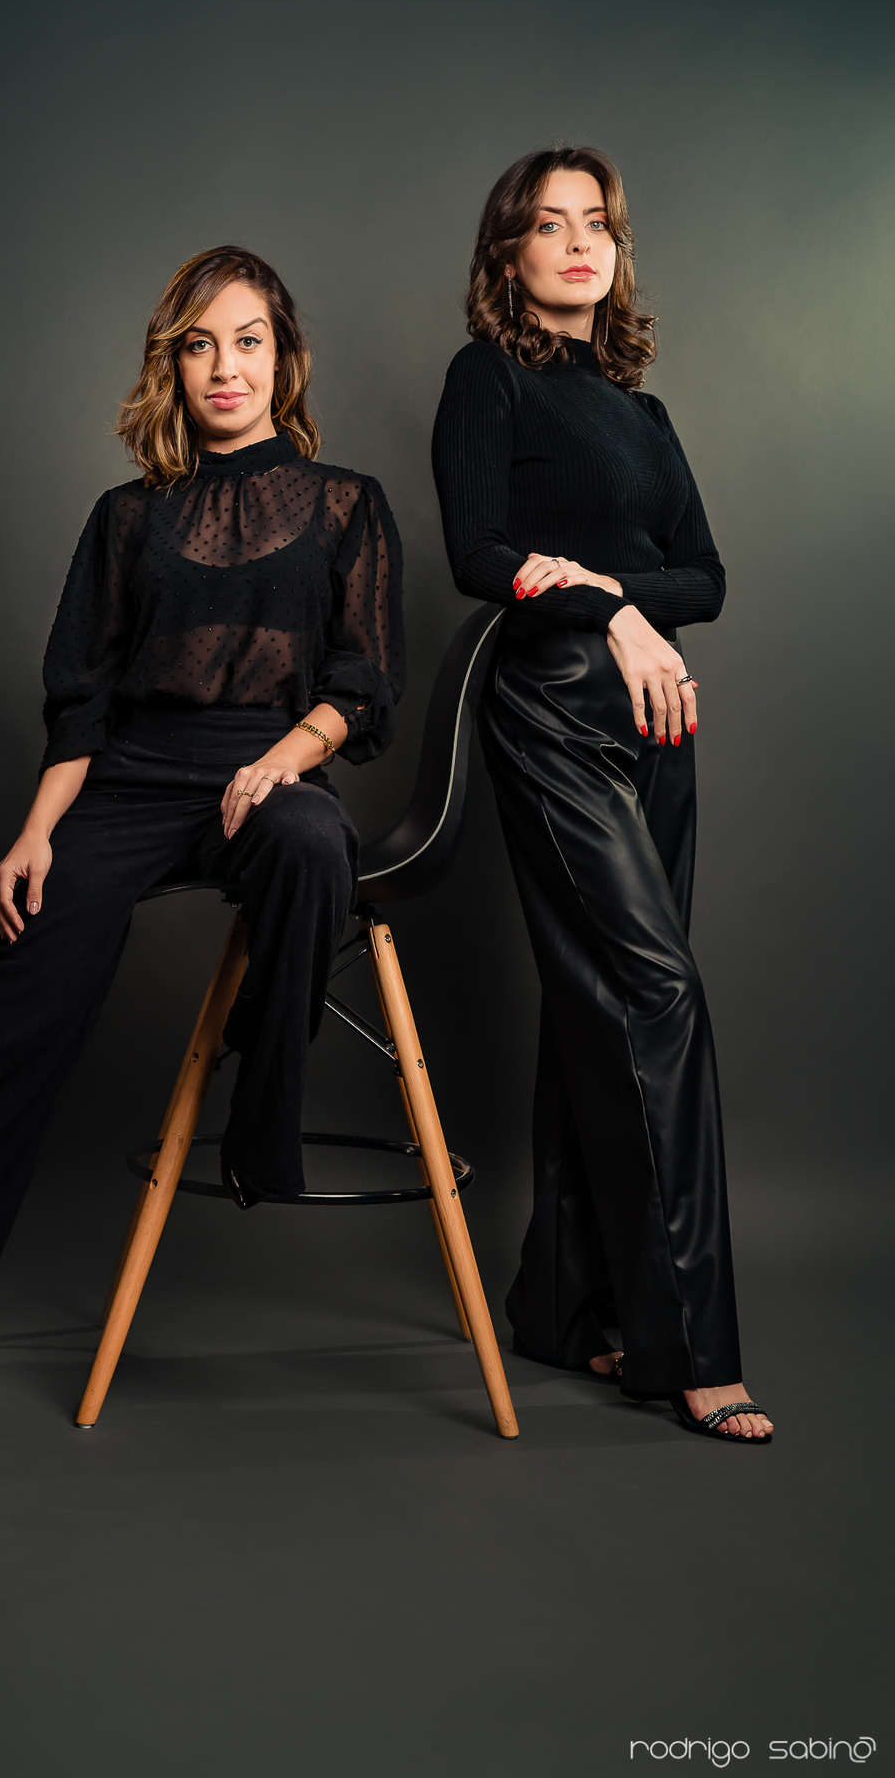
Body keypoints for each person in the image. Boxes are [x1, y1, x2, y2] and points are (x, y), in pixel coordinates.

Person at [0, 246, 405, 1430]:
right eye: (200, 344)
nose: (225, 366)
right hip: (129, 781)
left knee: (313, 843)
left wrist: (280, 759)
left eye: (249, 340)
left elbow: (363, 685)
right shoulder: (127, 516)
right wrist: (34, 833)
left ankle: (263, 1111)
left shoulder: (347, 503)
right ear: (173, 364)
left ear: (286, 358)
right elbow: (84, 701)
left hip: (269, 764)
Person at [432, 148, 772, 1443]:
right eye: (549, 223)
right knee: (656, 991)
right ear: (508, 252)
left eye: (598, 224)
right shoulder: (488, 379)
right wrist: (612, 611)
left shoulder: (645, 412)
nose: (580, 242)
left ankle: (566, 1303)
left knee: (599, 999)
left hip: (657, 720)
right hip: (553, 712)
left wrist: (621, 598)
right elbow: (479, 552)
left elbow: (708, 575)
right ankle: (690, 1344)